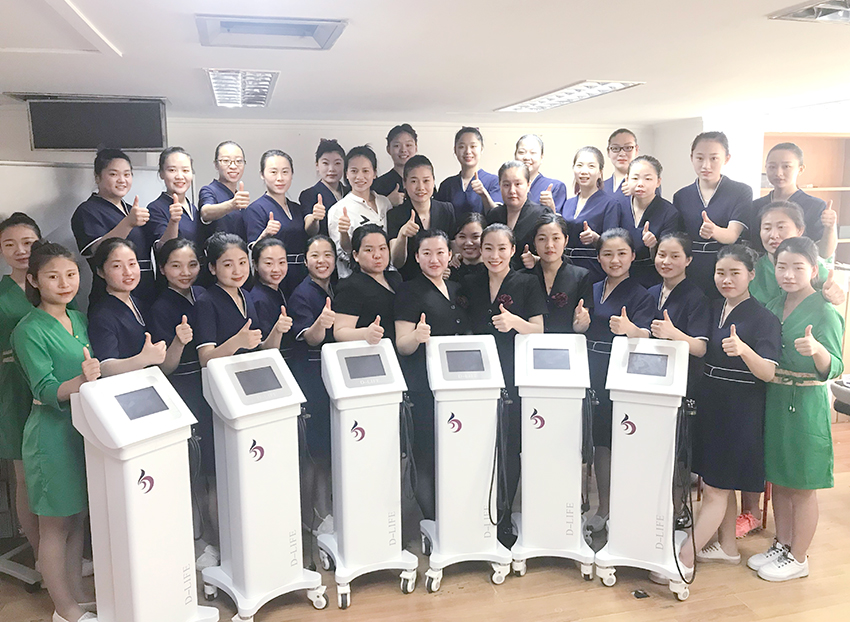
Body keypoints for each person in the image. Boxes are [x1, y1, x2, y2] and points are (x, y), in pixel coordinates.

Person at [12, 241, 101, 622]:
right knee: (54, 525)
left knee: (77, 516)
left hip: (81, 430)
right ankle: (63, 610)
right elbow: (45, 388)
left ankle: (77, 596)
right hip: (50, 435)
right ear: (34, 280)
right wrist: (81, 381)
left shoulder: (77, 318)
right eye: (53, 276)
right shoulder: (28, 329)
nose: (65, 283)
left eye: (71, 274)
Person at [679, 245, 781, 571]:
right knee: (717, 482)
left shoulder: (764, 318)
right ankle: (727, 547)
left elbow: (768, 372)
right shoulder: (714, 307)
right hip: (712, 403)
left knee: (716, 489)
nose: (726, 279)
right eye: (720, 272)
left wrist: (744, 350)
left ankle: (684, 557)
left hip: (740, 409)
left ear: (751, 275)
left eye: (735, 273)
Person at [749, 237, 843, 581]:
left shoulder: (825, 309)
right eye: (782, 266)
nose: (788, 274)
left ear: (814, 270)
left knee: (803, 483)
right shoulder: (773, 305)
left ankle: (799, 557)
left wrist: (817, 350)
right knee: (780, 478)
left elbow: (835, 366)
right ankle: (783, 543)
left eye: (797, 267)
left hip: (805, 403)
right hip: (775, 397)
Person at [459, 223, 546, 546]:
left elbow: (538, 329)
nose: (494, 255)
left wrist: (514, 322)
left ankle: (504, 513)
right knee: (477, 443)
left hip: (513, 371)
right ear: (480, 251)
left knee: (509, 444)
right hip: (475, 374)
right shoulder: (469, 282)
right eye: (488, 248)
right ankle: (476, 512)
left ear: (513, 251)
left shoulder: (527, 282)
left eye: (501, 248)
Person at [147, 238, 218, 567]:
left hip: (209, 387)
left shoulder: (203, 295)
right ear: (162, 269)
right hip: (182, 388)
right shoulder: (161, 307)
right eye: (175, 265)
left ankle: (215, 536)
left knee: (210, 466)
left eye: (192, 265)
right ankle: (197, 542)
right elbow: (165, 367)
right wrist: (178, 341)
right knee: (192, 468)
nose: (185, 272)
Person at [583, 228, 655, 534]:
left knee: (623, 440)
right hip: (589, 369)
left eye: (621, 253)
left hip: (622, 371)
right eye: (608, 254)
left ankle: (626, 509)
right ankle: (603, 507)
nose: (615, 260)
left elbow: (648, 334)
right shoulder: (591, 287)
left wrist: (630, 329)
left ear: (633, 256)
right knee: (599, 442)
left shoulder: (641, 294)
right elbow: (580, 325)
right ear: (599, 258)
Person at [395, 229, 470, 520]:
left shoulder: (457, 289)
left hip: (457, 384)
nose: (434, 259)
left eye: (440, 253)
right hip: (423, 384)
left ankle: (455, 516)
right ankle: (432, 520)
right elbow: (402, 345)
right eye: (426, 253)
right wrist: (416, 336)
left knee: (454, 451)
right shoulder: (408, 290)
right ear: (416, 257)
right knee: (426, 454)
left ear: (450, 255)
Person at [0, 213, 42, 567]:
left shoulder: (54, 284)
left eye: (28, 242)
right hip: (13, 390)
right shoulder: (1, 295)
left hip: (55, 387)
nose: (20, 250)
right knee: (25, 476)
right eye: (10, 244)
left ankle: (65, 553)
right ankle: (43, 556)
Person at [288, 235, 337, 536]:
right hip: (311, 377)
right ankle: (315, 515)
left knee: (329, 449)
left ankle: (327, 508)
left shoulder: (335, 287)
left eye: (327, 255)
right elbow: (311, 338)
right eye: (315, 255)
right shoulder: (302, 294)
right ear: (305, 260)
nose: (322, 261)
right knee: (315, 451)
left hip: (333, 377)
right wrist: (321, 323)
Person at [673, 131, 753, 297]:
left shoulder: (740, 191)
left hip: (726, 269)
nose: (706, 165)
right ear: (691, 158)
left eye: (714, 158)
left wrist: (714, 231)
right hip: (691, 268)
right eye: (700, 158)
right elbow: (679, 239)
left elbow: (732, 235)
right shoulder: (681, 196)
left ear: (726, 159)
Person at [71, 148, 155, 305]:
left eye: (127, 174)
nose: (122, 180)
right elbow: (98, 250)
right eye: (113, 174)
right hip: (110, 295)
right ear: (97, 177)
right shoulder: (87, 211)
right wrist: (128, 223)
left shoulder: (132, 210)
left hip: (145, 290)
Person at [195, 233, 287, 367]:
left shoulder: (246, 295)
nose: (237, 271)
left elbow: (262, 350)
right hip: (223, 375)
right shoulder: (206, 301)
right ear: (212, 268)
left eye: (242, 262)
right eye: (228, 265)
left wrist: (277, 330)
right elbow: (205, 359)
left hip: (251, 371)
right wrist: (236, 342)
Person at [87, 238, 168, 376]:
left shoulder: (140, 304)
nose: (128, 272)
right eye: (117, 266)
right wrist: (143, 359)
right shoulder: (101, 315)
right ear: (100, 272)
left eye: (132, 264)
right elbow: (105, 367)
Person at [244, 150, 317, 296]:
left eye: (285, 172)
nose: (280, 178)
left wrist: (315, 218)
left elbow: (310, 235)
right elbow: (253, 250)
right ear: (262, 174)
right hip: (276, 276)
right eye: (273, 172)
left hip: (302, 274)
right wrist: (265, 234)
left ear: (292, 174)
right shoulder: (256, 209)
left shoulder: (296, 208)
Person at [648, 233, 710, 398]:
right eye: (661, 255)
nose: (666, 261)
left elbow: (700, 348)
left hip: (680, 378)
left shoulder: (696, 297)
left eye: (675, 256)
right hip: (649, 373)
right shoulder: (651, 293)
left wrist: (673, 334)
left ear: (688, 260)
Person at [754, 142, 836, 259]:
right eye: (772, 167)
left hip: (798, 268)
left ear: (800, 169)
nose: (778, 173)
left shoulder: (816, 206)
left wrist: (830, 228)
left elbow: (824, 253)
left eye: (786, 166)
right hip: (762, 269)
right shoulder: (755, 206)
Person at [387, 155, 457, 280]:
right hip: (409, 282)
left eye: (426, 181)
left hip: (442, 281)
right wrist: (402, 235)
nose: (420, 187)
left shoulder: (446, 210)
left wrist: (447, 265)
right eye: (414, 181)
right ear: (405, 183)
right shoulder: (395, 215)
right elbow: (396, 262)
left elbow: (453, 248)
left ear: (433, 181)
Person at [328, 146, 392, 278]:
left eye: (365, 171)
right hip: (355, 280)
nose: (359, 177)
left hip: (386, 278)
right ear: (346, 174)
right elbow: (343, 255)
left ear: (374, 173)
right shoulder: (338, 209)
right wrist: (344, 233)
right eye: (354, 171)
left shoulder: (384, 203)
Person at [559, 146, 621, 283]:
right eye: (579, 165)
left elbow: (613, 245)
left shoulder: (610, 204)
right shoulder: (568, 203)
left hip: (592, 272)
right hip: (566, 270)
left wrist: (596, 238)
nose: (584, 171)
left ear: (600, 172)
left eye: (591, 166)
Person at [522, 212, 592, 333]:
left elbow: (580, 328)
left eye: (556, 238)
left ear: (566, 240)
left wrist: (581, 322)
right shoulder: (523, 277)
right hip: (529, 343)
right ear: (534, 242)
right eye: (542, 239)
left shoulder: (581, 276)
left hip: (566, 343)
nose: (549, 245)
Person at [620, 156, 683, 288]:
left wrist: (654, 245)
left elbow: (669, 253)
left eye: (648, 179)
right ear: (626, 179)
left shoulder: (669, 212)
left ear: (658, 182)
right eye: (635, 178)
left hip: (652, 277)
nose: (640, 184)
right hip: (620, 272)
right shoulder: (617, 206)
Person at [333, 224, 401, 343]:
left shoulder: (395, 277)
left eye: (382, 248)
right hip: (373, 350)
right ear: (356, 255)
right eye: (369, 250)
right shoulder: (350, 287)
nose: (377, 255)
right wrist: (364, 333)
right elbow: (339, 332)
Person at [485, 161, 549, 271]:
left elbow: (556, 253)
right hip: (498, 277)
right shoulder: (494, 215)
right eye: (506, 185)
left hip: (532, 277)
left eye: (518, 184)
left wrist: (537, 260)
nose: (512, 190)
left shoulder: (542, 214)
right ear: (500, 185)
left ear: (528, 185)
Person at [147, 147, 205, 249]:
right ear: (161, 174)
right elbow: (162, 247)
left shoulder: (193, 209)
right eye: (172, 170)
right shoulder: (155, 209)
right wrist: (173, 222)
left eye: (185, 170)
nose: (180, 176)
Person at [435, 127, 501, 216]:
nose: (468, 151)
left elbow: (497, 214)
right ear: (455, 150)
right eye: (462, 147)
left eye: (473, 146)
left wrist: (484, 194)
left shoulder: (493, 181)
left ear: (481, 149)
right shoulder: (447, 185)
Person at [246, 237, 294, 357]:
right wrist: (277, 330)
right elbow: (262, 348)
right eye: (268, 263)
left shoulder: (279, 290)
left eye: (281, 262)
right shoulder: (258, 299)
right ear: (255, 264)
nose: (276, 269)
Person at [198, 141, 250, 240]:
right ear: (216, 165)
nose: (233, 166)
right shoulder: (209, 190)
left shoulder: (239, 196)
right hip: (219, 249)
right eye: (226, 161)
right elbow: (205, 212)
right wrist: (232, 205)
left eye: (239, 161)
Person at [298, 139, 348, 238]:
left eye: (337, 163)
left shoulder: (350, 192)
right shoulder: (309, 194)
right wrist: (315, 218)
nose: (331, 169)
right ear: (317, 165)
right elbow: (309, 230)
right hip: (324, 246)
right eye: (325, 163)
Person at [514, 134, 567, 213]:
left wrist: (551, 208)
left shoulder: (555, 187)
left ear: (541, 157)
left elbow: (558, 220)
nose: (527, 157)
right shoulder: (507, 185)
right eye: (522, 152)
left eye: (533, 153)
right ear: (515, 156)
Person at [373, 124, 418, 206]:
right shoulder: (379, 184)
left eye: (408, 145)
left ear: (416, 148)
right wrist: (387, 202)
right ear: (388, 149)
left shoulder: (424, 181)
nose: (403, 150)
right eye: (397, 146)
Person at [448, 212, 487, 282]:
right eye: (462, 237)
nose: (468, 243)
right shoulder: (448, 272)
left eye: (475, 237)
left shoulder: (494, 271)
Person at [603, 128, 640, 197]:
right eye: (615, 148)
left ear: (636, 150)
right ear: (608, 152)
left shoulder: (645, 184)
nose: (622, 153)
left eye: (628, 148)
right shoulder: (601, 187)